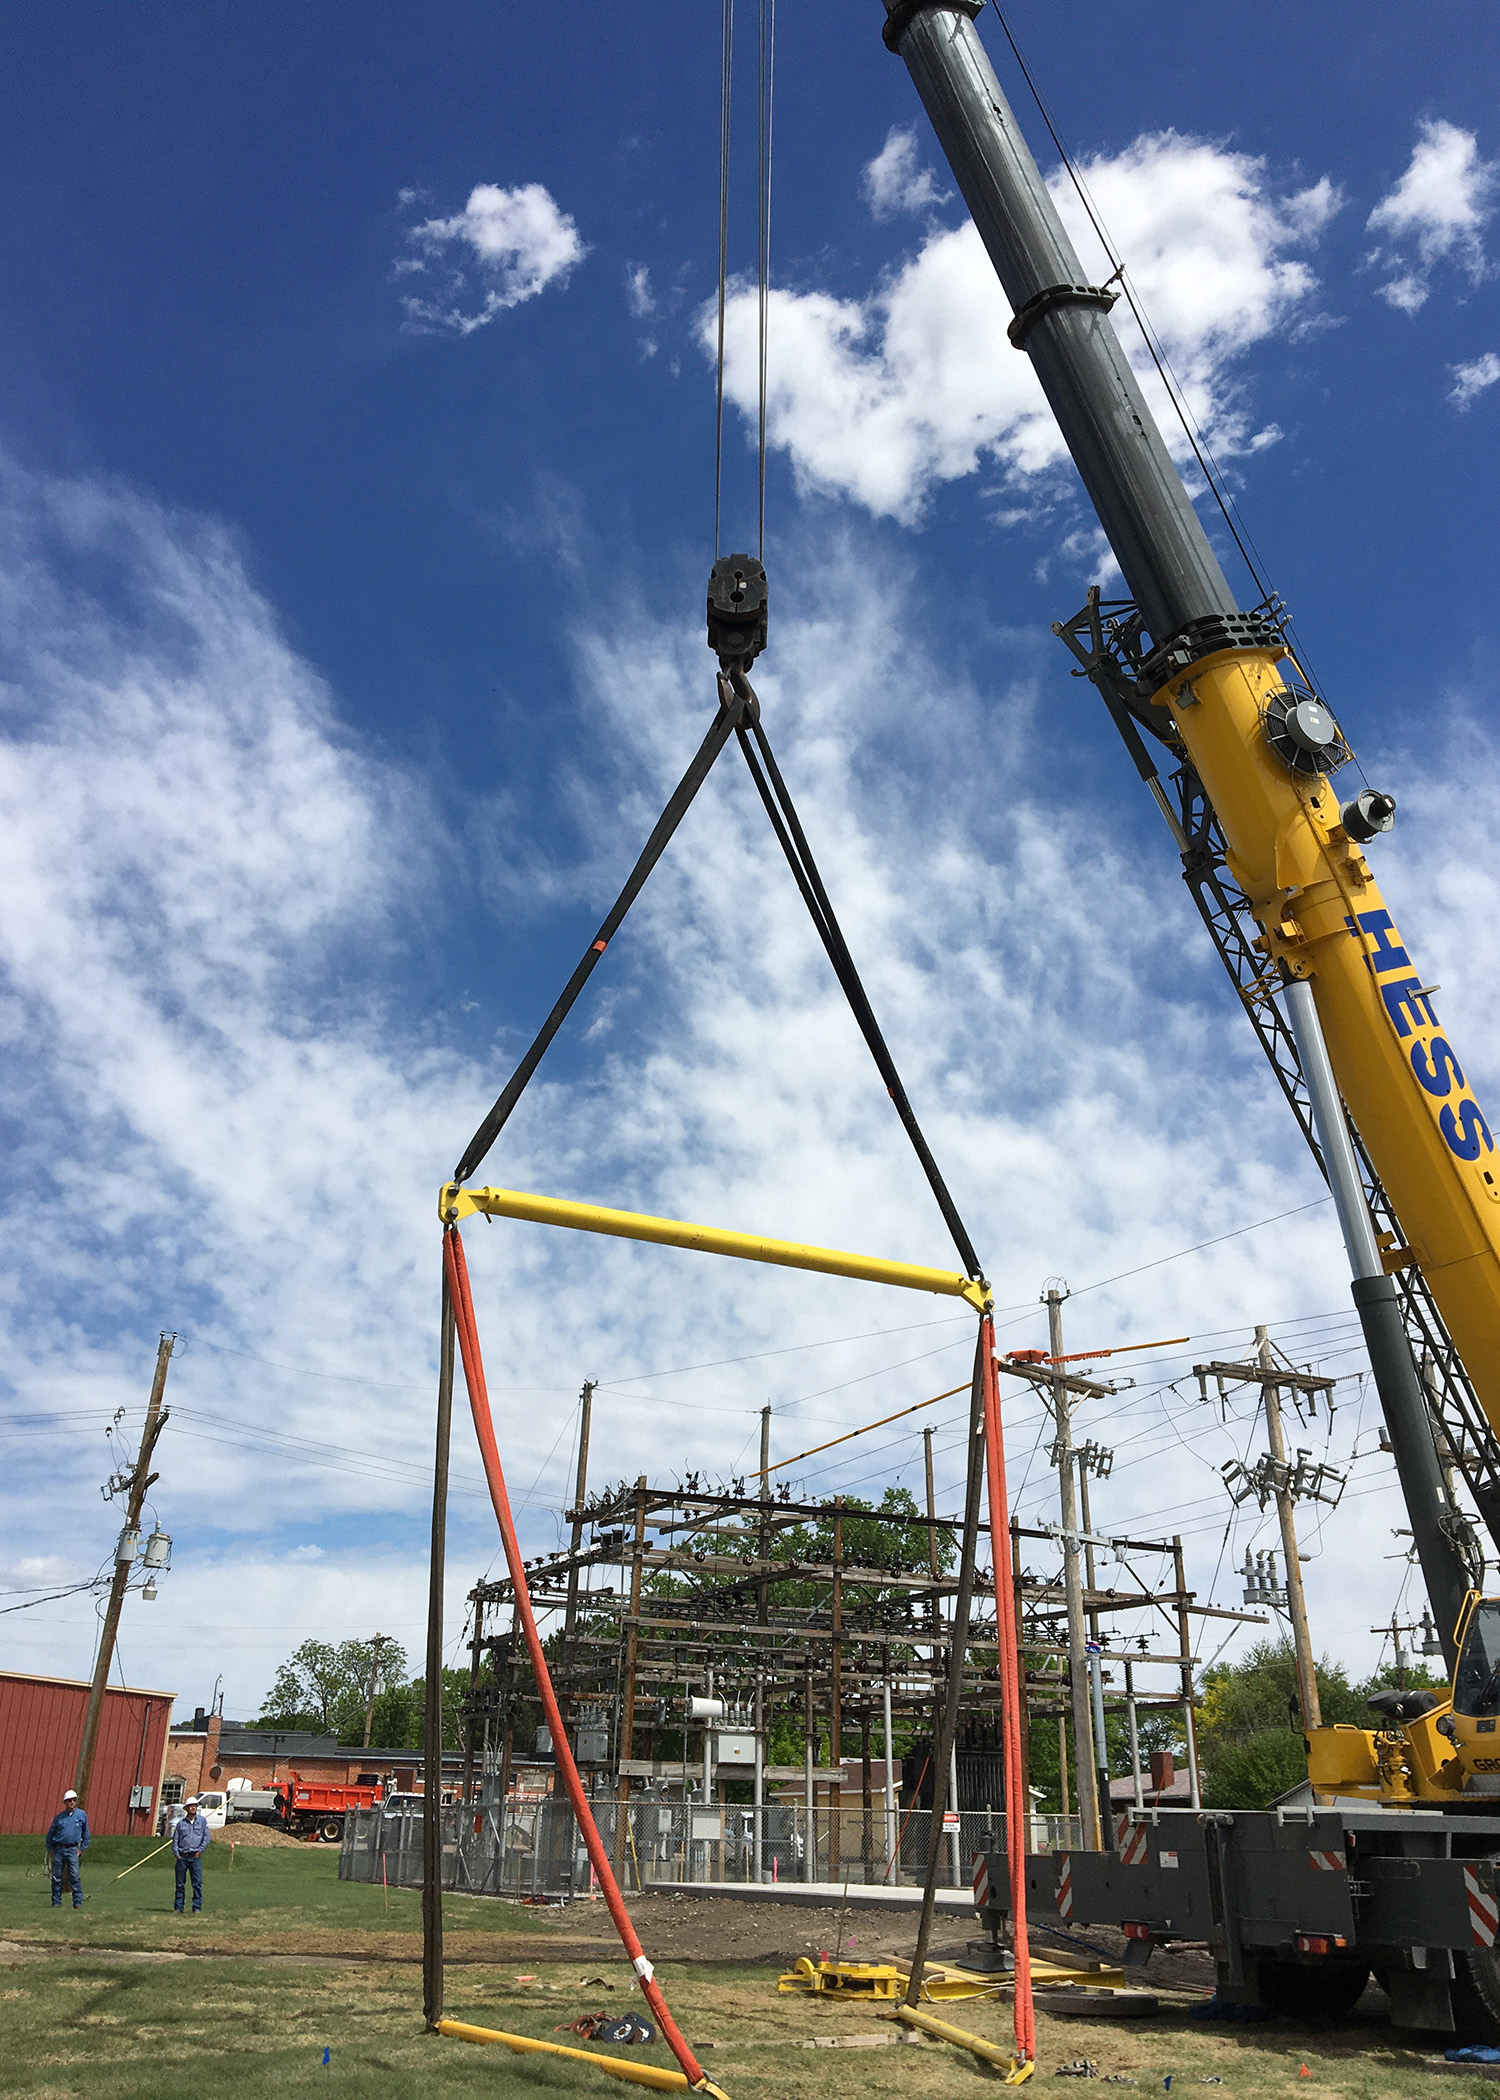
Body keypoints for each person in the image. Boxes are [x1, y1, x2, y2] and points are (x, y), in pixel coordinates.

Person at [46, 1788, 90, 1908]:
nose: (72, 1802)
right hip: (59, 1849)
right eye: (69, 1800)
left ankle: (77, 1902)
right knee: (56, 1877)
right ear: (65, 1803)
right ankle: (56, 1901)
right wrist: (50, 1849)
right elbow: (50, 1834)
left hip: (73, 1850)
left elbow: (86, 1834)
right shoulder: (59, 1818)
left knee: (75, 1876)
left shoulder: (81, 1815)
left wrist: (81, 1850)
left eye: (74, 1800)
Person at [172, 1795, 212, 1912]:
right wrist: (177, 1855)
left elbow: (206, 1837)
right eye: (190, 1806)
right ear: (186, 1809)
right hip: (182, 1857)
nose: (192, 1808)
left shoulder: (202, 1821)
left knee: (197, 1884)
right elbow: (175, 1840)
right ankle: (179, 1907)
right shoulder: (181, 1824)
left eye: (194, 1806)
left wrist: (200, 1850)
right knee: (180, 1884)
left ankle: (197, 1907)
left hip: (195, 1857)